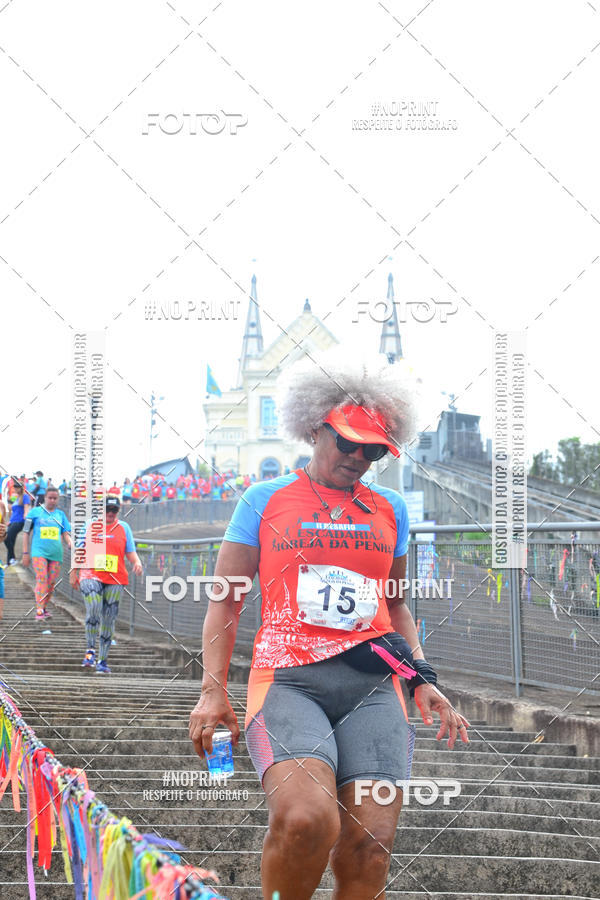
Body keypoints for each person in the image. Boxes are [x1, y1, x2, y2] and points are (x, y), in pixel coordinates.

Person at [189, 357, 470, 900]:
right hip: (290, 681)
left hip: (373, 684)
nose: (359, 458)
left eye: (374, 450)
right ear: (316, 427)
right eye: (348, 443)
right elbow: (225, 602)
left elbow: (396, 606)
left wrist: (423, 678)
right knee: (306, 820)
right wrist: (212, 690)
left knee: (371, 841)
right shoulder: (264, 499)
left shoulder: (389, 508)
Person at [69, 496, 142, 673]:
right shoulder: (90, 525)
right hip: (90, 573)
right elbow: (80, 549)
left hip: (115, 577)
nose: (110, 513)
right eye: (107, 509)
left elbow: (130, 551)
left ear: (118, 511)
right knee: (94, 607)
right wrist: (73, 572)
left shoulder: (124, 528)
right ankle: (90, 651)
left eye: (114, 510)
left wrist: (137, 562)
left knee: (109, 617)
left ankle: (102, 660)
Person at [22, 486, 72, 620]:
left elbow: (65, 533)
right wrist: (25, 553)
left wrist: (70, 542)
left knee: (51, 583)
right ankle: (39, 609)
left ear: (58, 499)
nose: (52, 500)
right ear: (44, 498)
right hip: (39, 552)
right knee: (42, 578)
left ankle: (43, 607)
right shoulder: (35, 512)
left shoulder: (60, 515)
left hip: (56, 554)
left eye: (55, 498)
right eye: (50, 498)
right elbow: (26, 532)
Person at [4, 479, 31, 565]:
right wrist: (10, 521)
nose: (15, 488)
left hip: (19, 521)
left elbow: (27, 508)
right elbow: (14, 511)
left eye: (17, 487)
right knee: (10, 540)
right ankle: (10, 561)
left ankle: (12, 559)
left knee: (7, 538)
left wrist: (26, 516)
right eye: (14, 486)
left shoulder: (25, 496)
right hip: (13, 521)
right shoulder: (16, 498)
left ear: (21, 488)